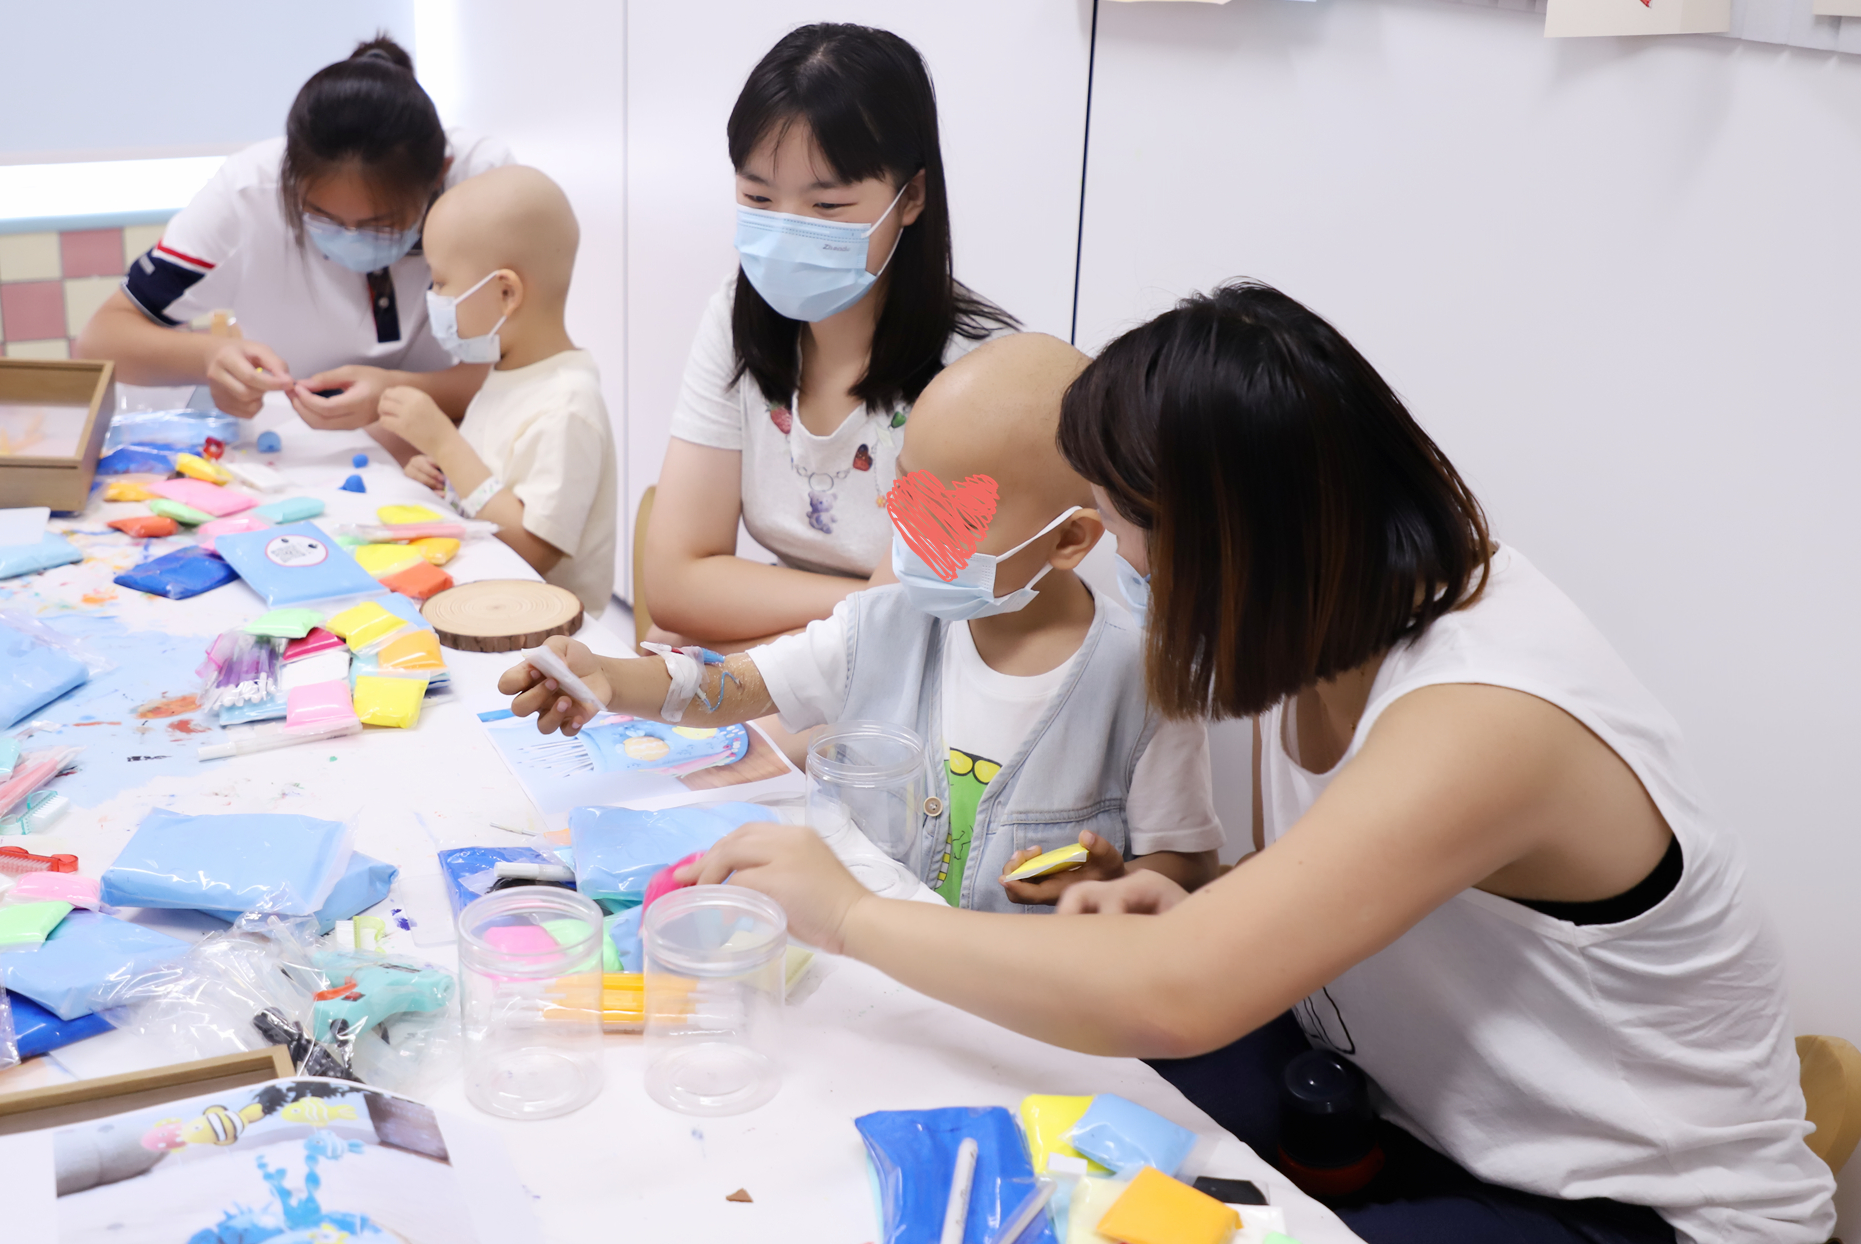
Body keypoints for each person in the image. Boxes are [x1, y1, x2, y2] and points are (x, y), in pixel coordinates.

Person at [660, 284, 1837, 1243]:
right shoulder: (1330, 615)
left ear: (1229, 542)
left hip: (1623, 1212)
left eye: (1124, 539)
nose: (1119, 573)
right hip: (1384, 1105)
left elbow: (1175, 994)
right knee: (1022, 1118)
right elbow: (1335, 901)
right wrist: (1195, 900)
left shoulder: (1486, 716)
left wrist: (850, 915)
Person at [505, 333, 1220, 911]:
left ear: (1068, 539)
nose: (904, 523)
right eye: (904, 488)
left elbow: (1186, 865)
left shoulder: (1148, 686)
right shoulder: (882, 625)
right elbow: (736, 686)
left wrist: (1116, 880)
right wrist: (610, 679)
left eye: (948, 513)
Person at [645, 22, 1015, 653]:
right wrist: (864, 604)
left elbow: (922, 625)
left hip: (924, 669)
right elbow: (675, 584)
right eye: (758, 197)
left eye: (827, 207)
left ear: (911, 197)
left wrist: (740, 634)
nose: (787, 230)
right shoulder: (734, 317)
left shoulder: (979, 376)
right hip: (825, 644)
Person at [77, 35, 512, 433]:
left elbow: (531, 360)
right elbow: (101, 340)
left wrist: (399, 394)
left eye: (381, 224)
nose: (351, 236)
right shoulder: (246, 193)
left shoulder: (486, 184)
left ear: (439, 177)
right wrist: (210, 358)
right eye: (320, 216)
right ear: (288, 177)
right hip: (293, 444)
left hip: (448, 436)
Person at [376, 166, 615, 617]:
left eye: (440, 282)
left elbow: (533, 550)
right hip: (487, 603)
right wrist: (442, 478)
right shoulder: (510, 373)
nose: (433, 297)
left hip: (544, 631)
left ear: (506, 293)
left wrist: (446, 445)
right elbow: (492, 486)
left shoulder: (567, 404)